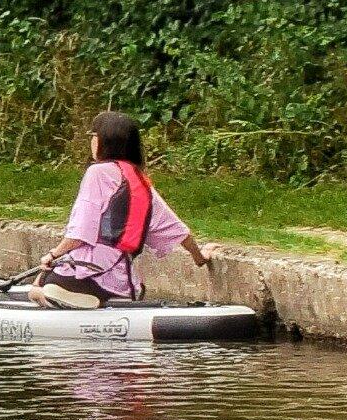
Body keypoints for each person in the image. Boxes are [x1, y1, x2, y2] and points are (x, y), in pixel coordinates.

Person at [26, 112, 217, 307]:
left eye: (93, 136)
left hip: (86, 276)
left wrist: (52, 255)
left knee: (36, 289)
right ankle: (99, 300)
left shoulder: (97, 172)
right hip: (124, 282)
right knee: (48, 280)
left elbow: (81, 232)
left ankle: (80, 301)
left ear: (102, 141)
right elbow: (176, 229)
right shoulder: (140, 181)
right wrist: (200, 257)